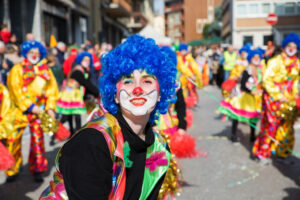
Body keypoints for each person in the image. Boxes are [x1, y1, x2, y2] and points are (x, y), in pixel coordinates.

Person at [40, 34, 177, 199]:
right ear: (116, 95)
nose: (137, 89)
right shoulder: (93, 143)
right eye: (128, 81)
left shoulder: (159, 148)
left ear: (161, 93)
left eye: (147, 81)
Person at [5, 40, 59, 182]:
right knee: (13, 140)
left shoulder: (45, 70)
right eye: (31, 52)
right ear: (26, 53)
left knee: (37, 140)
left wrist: (50, 107)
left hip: (39, 112)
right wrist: (29, 106)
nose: (34, 55)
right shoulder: (17, 69)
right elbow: (14, 90)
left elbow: (52, 90)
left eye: (37, 53)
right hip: (20, 111)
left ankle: (38, 169)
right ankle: (12, 169)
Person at [252, 33, 300, 164]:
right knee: (270, 127)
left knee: (287, 128)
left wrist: (294, 95)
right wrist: (278, 95)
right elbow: (267, 80)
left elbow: (295, 81)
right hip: (273, 100)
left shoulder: (297, 63)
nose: (292, 48)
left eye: (295, 46)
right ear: (285, 46)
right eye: (289, 45)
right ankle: (263, 153)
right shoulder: (275, 61)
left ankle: (283, 154)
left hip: (289, 100)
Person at [219, 49, 263, 143]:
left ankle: (252, 136)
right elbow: (243, 84)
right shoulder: (248, 69)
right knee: (237, 116)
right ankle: (233, 135)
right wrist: (251, 91)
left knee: (253, 117)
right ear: (251, 58)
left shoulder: (259, 69)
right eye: (254, 57)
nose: (256, 59)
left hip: (254, 97)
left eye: (258, 57)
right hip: (244, 95)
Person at [57, 52, 99, 135]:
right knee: (68, 115)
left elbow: (86, 85)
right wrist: (97, 93)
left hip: (76, 94)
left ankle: (75, 133)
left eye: (88, 60)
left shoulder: (85, 71)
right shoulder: (78, 71)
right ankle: (59, 131)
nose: (86, 62)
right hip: (69, 95)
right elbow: (86, 84)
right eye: (84, 60)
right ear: (80, 60)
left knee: (75, 115)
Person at [176, 43, 202, 108]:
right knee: (182, 92)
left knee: (192, 90)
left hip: (189, 78)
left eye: (185, 50)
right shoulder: (178, 57)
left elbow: (194, 65)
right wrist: (190, 75)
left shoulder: (188, 57)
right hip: (181, 78)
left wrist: (197, 75)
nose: (184, 52)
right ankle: (183, 104)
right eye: (183, 50)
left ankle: (193, 102)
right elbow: (182, 67)